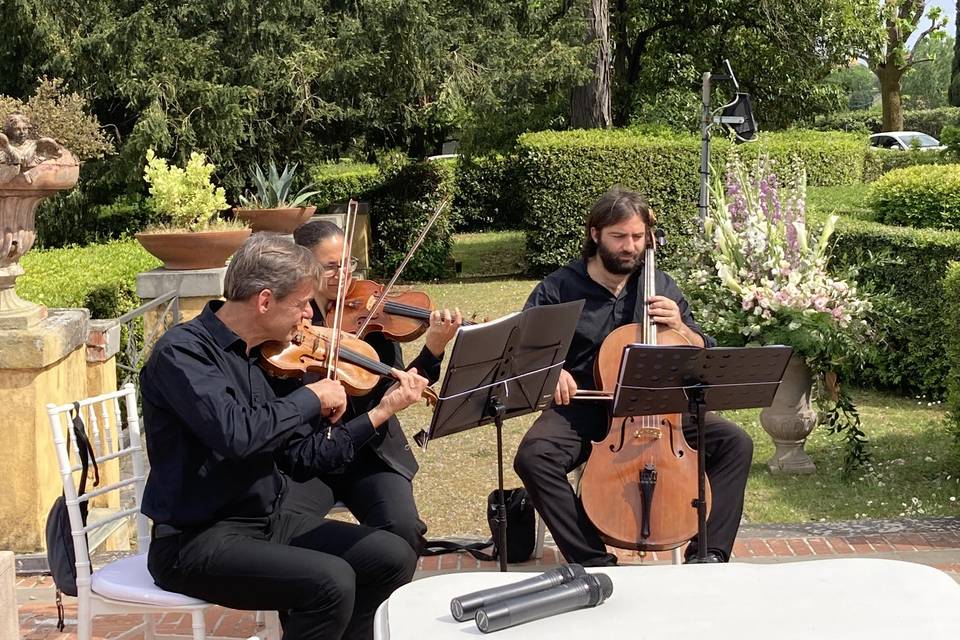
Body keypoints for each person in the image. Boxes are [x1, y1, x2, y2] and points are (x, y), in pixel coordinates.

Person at [140, 233, 429, 640]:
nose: (309, 315)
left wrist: (381, 412)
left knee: (391, 555)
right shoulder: (183, 354)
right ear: (263, 301)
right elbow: (238, 435)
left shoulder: (265, 356)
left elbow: (302, 458)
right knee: (330, 581)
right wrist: (311, 397)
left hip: (263, 521)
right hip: (194, 540)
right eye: (301, 303)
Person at [514, 186, 754, 566]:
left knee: (735, 443)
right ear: (595, 234)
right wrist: (551, 372)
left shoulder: (661, 285)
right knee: (533, 456)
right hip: (586, 408)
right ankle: (593, 559)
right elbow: (524, 349)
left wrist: (682, 328)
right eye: (620, 237)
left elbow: (702, 351)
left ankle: (709, 555)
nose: (630, 247)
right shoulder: (558, 288)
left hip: (661, 409)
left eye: (638, 237)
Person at [283, 220, 461, 554]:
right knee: (284, 530)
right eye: (331, 267)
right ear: (302, 265)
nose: (345, 274)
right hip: (311, 455)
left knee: (404, 530)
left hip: (370, 450)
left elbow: (403, 378)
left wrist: (433, 348)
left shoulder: (373, 318)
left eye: (347, 263)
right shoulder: (292, 318)